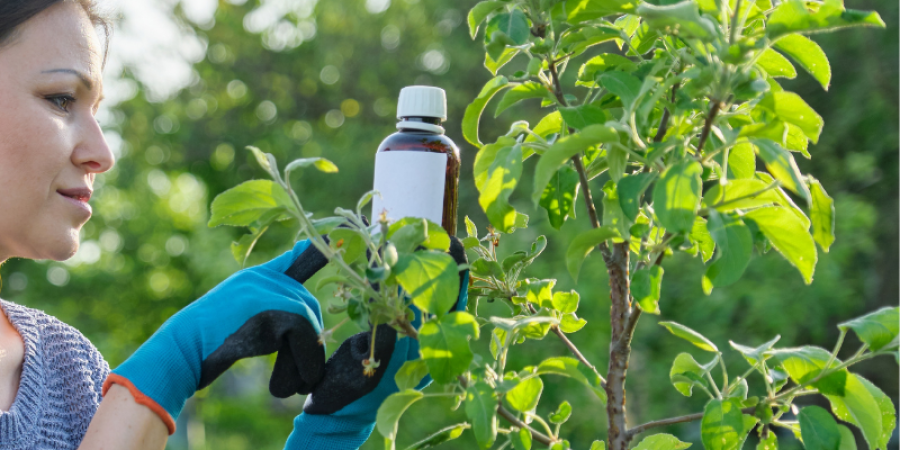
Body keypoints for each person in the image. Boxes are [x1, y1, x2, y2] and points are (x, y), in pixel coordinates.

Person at [0, 1, 468, 449]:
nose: (102, 154)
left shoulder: (69, 369)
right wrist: (170, 367)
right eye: (60, 100)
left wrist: (331, 430)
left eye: (97, 110)